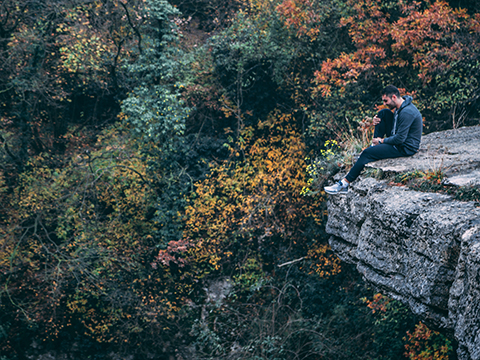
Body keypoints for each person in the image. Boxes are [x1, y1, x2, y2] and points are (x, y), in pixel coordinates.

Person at [324, 85, 422, 194]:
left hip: (405, 147)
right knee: (383, 113)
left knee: (366, 153)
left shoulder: (407, 112)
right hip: (398, 139)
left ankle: (344, 184)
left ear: (394, 97)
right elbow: (395, 124)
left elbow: (399, 139)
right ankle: (374, 148)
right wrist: (377, 121)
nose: (384, 103)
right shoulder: (401, 106)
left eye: (386, 101)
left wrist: (381, 141)